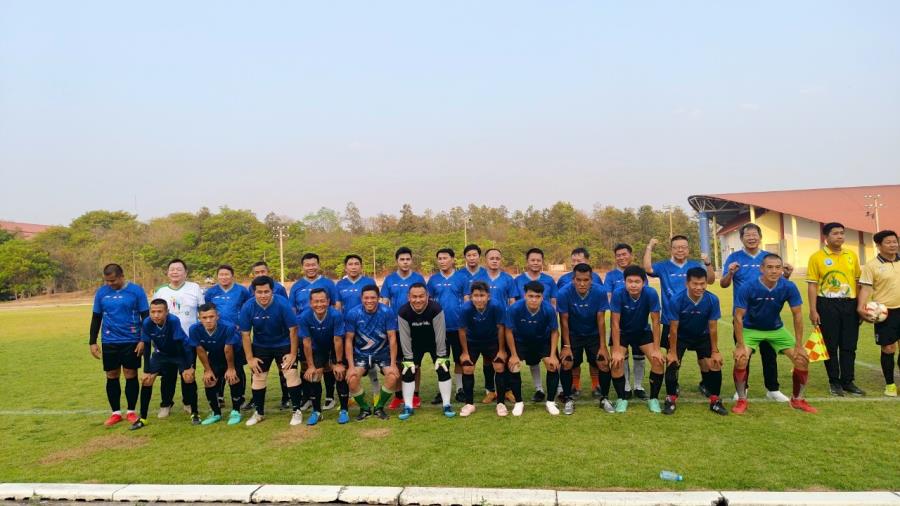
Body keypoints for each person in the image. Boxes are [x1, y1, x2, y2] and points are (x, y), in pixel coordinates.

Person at [732, 254, 816, 414]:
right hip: (751, 329)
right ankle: (742, 399)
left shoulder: (788, 286)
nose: (774, 271)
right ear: (761, 269)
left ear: (782, 269)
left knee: (802, 359)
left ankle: (798, 400)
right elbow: (738, 317)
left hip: (776, 329)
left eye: (778, 267)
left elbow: (798, 315)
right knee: (741, 359)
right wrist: (740, 345)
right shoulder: (748, 287)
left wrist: (799, 345)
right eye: (769, 267)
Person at [720, 223, 791, 402]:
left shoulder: (768, 258)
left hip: (768, 315)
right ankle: (742, 389)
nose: (751, 238)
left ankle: (773, 389)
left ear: (760, 237)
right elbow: (723, 284)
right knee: (743, 354)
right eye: (747, 235)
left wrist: (787, 275)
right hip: (743, 317)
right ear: (741, 238)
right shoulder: (734, 257)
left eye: (754, 235)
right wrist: (730, 273)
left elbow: (780, 282)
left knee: (770, 355)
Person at [643, 236, 715, 400]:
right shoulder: (663, 266)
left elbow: (710, 280)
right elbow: (647, 268)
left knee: (704, 359)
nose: (680, 250)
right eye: (676, 247)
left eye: (683, 247)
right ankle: (673, 385)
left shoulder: (695, 266)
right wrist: (650, 247)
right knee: (673, 357)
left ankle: (705, 383)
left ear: (688, 249)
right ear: (671, 249)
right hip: (672, 321)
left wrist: (708, 263)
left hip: (697, 321)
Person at [807, 222, 864, 396]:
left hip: (849, 304)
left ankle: (848, 381)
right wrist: (813, 310)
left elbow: (857, 282)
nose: (840, 236)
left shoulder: (851, 255)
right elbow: (812, 285)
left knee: (849, 345)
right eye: (835, 233)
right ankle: (834, 382)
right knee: (830, 346)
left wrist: (859, 306)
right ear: (825, 237)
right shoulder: (817, 257)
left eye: (842, 233)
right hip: (827, 305)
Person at [239, 276, 303, 426]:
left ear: (272, 291)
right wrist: (250, 358)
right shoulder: (248, 307)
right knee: (258, 376)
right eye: (259, 292)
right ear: (254, 292)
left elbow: (293, 330)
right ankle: (259, 412)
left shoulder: (282, 304)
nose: (263, 295)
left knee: (291, 374)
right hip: (261, 346)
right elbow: (245, 334)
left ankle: (296, 411)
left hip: (283, 344)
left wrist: (293, 354)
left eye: (266, 291)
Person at [90, 263, 149, 427]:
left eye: (113, 280)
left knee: (130, 373)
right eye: (107, 281)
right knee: (111, 374)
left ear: (122, 276)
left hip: (131, 340)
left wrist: (143, 339)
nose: (110, 284)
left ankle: (131, 411)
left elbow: (146, 316)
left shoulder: (136, 291)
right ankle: (115, 413)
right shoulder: (101, 292)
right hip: (109, 341)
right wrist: (92, 341)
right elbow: (96, 317)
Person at [662, 267, 727, 416]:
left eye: (702, 283)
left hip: (702, 336)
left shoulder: (712, 299)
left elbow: (713, 328)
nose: (699, 287)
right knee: (672, 362)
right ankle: (670, 398)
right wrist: (672, 352)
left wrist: (715, 351)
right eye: (695, 284)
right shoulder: (677, 300)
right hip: (681, 336)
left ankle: (715, 400)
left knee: (714, 363)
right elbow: (673, 329)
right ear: (687, 283)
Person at [130, 299, 198, 430]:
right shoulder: (147, 322)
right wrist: (146, 370)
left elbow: (179, 344)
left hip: (180, 352)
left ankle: (194, 413)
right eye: (153, 312)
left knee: (188, 377)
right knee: (146, 380)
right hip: (161, 354)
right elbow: (147, 345)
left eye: (160, 311)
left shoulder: (173, 320)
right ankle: (142, 418)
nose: (156, 315)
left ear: (167, 312)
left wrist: (187, 367)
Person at [467, 248, 521, 402]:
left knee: (505, 356)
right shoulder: (478, 279)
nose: (495, 261)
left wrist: (511, 321)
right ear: (486, 260)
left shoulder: (507, 278)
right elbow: (470, 300)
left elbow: (512, 301)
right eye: (492, 258)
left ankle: (507, 390)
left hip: (503, 324)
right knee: (487, 358)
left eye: (497, 258)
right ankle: (490, 390)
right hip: (485, 325)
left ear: (501, 260)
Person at [609, 266, 665, 413]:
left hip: (642, 331)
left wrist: (657, 349)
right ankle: (621, 399)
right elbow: (615, 323)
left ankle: (653, 399)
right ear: (625, 282)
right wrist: (616, 350)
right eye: (630, 281)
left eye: (637, 281)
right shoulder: (618, 293)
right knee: (616, 362)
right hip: (622, 332)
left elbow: (655, 322)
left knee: (658, 361)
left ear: (644, 282)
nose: (633, 285)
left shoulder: (651, 293)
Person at [152, 259, 204, 417]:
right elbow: (154, 315)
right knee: (167, 375)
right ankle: (166, 404)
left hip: (188, 341)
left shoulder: (194, 288)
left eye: (179, 269)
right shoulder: (161, 291)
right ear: (167, 273)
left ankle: (188, 402)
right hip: (166, 343)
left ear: (185, 272)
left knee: (187, 374)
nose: (175, 272)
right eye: (172, 269)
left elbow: (202, 313)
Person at [396, 283, 456, 420]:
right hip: (415, 344)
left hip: (435, 343)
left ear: (427, 296)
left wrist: (441, 355)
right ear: (409, 297)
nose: (418, 300)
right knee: (408, 370)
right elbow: (404, 337)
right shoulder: (403, 312)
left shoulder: (435, 308)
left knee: (443, 368)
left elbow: (440, 333)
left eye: (421, 296)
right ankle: (408, 406)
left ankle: (447, 405)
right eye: (414, 297)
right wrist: (408, 358)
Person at [557, 263, 611, 414]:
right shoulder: (563, 293)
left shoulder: (600, 292)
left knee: (603, 363)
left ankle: (604, 398)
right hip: (573, 334)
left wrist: (603, 346)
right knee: (567, 363)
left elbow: (601, 320)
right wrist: (566, 346)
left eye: (586, 280)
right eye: (578, 280)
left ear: (591, 280)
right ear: (573, 279)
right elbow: (563, 321)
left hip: (593, 334)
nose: (582, 283)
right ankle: (568, 398)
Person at [504, 281, 565, 416]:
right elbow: (508, 331)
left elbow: (555, 332)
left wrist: (553, 355)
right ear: (525, 295)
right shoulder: (515, 308)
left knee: (552, 365)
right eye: (530, 296)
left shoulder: (548, 309)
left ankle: (550, 402)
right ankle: (519, 403)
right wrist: (513, 354)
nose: (534, 299)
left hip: (542, 341)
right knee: (514, 366)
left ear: (542, 297)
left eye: (537, 296)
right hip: (521, 341)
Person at [288, 252, 340, 410]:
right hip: (305, 332)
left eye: (313, 264)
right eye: (307, 265)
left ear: (318, 265)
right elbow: (292, 310)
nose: (310, 267)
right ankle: (308, 397)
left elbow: (336, 305)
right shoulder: (297, 286)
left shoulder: (328, 283)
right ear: (302, 267)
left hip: (326, 331)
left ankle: (330, 396)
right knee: (306, 365)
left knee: (328, 366)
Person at [345, 285, 400, 421]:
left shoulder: (387, 311)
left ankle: (379, 408)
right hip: (361, 354)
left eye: (373, 298)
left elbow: (392, 337)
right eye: (366, 298)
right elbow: (348, 340)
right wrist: (351, 367)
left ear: (378, 298)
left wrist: (393, 364)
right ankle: (364, 409)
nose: (369, 301)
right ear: (361, 298)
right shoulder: (353, 313)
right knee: (352, 379)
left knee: (393, 376)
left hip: (382, 353)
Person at [298, 288, 351, 425]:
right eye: (316, 301)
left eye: (322, 301)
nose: (319, 304)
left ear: (328, 301)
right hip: (317, 349)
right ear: (310, 303)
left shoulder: (335, 315)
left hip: (334, 347)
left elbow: (338, 340)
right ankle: (317, 412)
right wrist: (310, 366)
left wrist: (338, 363)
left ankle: (344, 410)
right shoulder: (304, 317)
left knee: (340, 373)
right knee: (314, 375)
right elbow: (306, 342)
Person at [857, 230, 900, 396]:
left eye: (895, 241)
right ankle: (890, 385)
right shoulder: (871, 266)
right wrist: (861, 307)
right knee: (888, 348)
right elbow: (866, 288)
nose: (893, 245)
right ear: (879, 245)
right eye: (888, 242)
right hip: (885, 312)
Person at [187, 303, 244, 425]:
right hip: (215, 354)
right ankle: (215, 412)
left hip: (234, 354)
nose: (208, 320)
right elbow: (200, 350)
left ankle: (236, 411)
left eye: (211, 317)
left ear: (217, 316)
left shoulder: (228, 327)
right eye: (204, 318)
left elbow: (228, 349)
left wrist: (231, 369)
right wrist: (207, 370)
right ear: (199, 318)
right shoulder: (194, 329)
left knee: (233, 378)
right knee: (209, 380)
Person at [457, 281, 508, 416]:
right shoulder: (465, 308)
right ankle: (469, 404)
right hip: (472, 342)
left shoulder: (496, 306)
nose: (479, 299)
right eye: (476, 296)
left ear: (488, 296)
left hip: (491, 341)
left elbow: (501, 328)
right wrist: (465, 352)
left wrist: (501, 350)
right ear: (471, 297)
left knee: (499, 366)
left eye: (482, 295)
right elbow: (462, 330)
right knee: (467, 368)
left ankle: (501, 403)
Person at [426, 248, 468, 404]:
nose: (442, 261)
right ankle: (442, 389)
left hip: (458, 327)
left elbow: (467, 300)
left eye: (445, 258)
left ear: (452, 259)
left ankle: (460, 389)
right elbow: (428, 301)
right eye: (440, 258)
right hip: (439, 328)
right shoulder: (433, 280)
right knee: (441, 359)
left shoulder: (462, 278)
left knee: (459, 359)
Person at [247, 260, 291, 411]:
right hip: (261, 338)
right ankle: (256, 400)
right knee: (257, 370)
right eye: (257, 272)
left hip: (280, 337)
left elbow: (286, 309)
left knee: (284, 369)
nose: (260, 274)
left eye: (263, 271)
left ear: (268, 272)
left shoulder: (279, 288)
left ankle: (287, 397)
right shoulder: (250, 289)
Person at [603, 243, 643, 400]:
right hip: (618, 323)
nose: (621, 257)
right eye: (618, 255)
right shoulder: (611, 276)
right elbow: (608, 296)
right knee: (621, 355)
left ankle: (638, 386)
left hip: (638, 322)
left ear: (631, 255)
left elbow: (643, 295)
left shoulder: (639, 273)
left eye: (624, 254)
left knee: (639, 355)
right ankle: (626, 386)